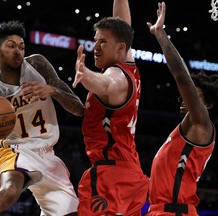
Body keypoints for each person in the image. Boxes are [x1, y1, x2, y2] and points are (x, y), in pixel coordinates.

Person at [0, 20, 84, 216]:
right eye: (11, 46)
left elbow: (79, 109)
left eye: (21, 46)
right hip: (17, 150)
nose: (18, 51)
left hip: (49, 155)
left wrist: (52, 90)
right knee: (9, 192)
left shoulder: (37, 65)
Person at [146, 2, 218, 215]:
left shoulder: (202, 125)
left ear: (206, 104)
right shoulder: (185, 132)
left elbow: (181, 77)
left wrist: (161, 34)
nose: (184, 98)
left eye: (193, 96)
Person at [72, 0, 149, 215]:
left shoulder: (115, 76)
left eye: (102, 42)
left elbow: (106, 85)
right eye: (95, 41)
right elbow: (122, 25)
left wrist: (85, 75)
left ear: (119, 48)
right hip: (131, 175)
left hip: (110, 176)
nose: (95, 47)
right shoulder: (127, 61)